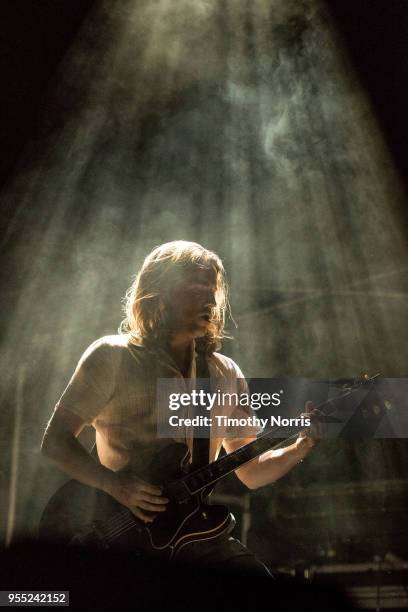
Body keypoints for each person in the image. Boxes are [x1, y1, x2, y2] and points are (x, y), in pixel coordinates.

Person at [41, 240, 320, 575]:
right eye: (194, 288)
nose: (209, 300)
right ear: (158, 291)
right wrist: (113, 484)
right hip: (121, 538)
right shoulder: (111, 357)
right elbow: (55, 442)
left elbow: (251, 470)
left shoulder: (225, 373)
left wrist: (299, 447)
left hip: (197, 536)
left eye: (213, 290)